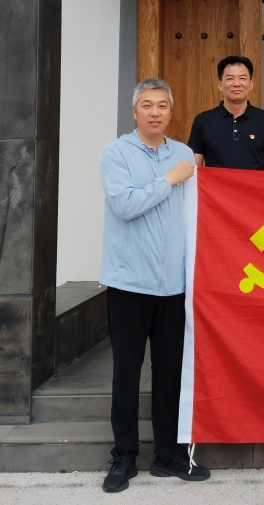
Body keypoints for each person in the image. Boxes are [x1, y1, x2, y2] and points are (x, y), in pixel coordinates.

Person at [99, 78, 210, 491]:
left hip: (175, 286)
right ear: (135, 112)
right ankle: (124, 456)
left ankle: (169, 455)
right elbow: (125, 204)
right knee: (127, 373)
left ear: (170, 111)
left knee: (170, 375)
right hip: (129, 283)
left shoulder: (182, 153)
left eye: (162, 105)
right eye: (147, 105)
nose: (155, 112)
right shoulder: (116, 152)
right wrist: (170, 179)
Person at [187, 56, 264, 171]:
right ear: (220, 85)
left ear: (251, 84)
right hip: (215, 184)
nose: (236, 84)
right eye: (230, 79)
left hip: (254, 184)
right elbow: (194, 168)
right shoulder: (203, 121)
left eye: (242, 78)